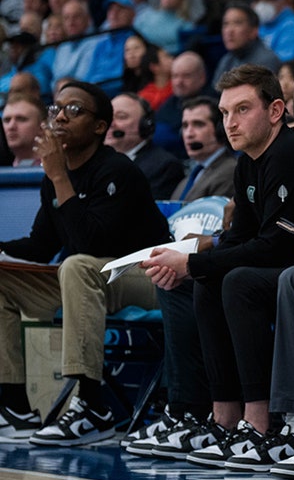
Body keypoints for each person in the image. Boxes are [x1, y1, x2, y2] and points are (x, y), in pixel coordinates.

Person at [141, 64, 294, 468]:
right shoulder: (248, 163)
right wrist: (196, 266)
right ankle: (225, 416)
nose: (230, 123)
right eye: (224, 113)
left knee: (237, 281)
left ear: (276, 111)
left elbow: (274, 246)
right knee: (211, 280)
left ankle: (260, 423)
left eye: (241, 110)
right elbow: (242, 239)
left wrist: (191, 261)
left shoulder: (291, 153)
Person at [0, 81, 170, 445]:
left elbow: (93, 244)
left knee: (77, 266)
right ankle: (15, 407)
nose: (60, 116)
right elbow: (41, 246)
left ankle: (93, 406)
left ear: (99, 127)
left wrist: (60, 177)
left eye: (73, 110)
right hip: (90, 281)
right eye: (56, 108)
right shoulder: (54, 179)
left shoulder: (117, 171)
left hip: (150, 275)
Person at [106, 93, 185, 200]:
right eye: (108, 116)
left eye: (121, 117)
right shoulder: (96, 161)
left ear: (145, 125)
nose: (111, 123)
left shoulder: (164, 166)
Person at [170, 97, 236, 202]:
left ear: (220, 129)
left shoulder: (230, 171)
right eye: (185, 126)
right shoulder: (187, 180)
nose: (188, 134)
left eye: (198, 124)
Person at [214, 3, 283, 80]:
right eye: (226, 24)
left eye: (237, 23)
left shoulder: (266, 61)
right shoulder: (226, 60)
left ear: (254, 30)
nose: (229, 31)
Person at [2, 90, 46, 166]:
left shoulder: (61, 170)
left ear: (42, 127)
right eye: (7, 120)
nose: (11, 126)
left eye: (21, 119)